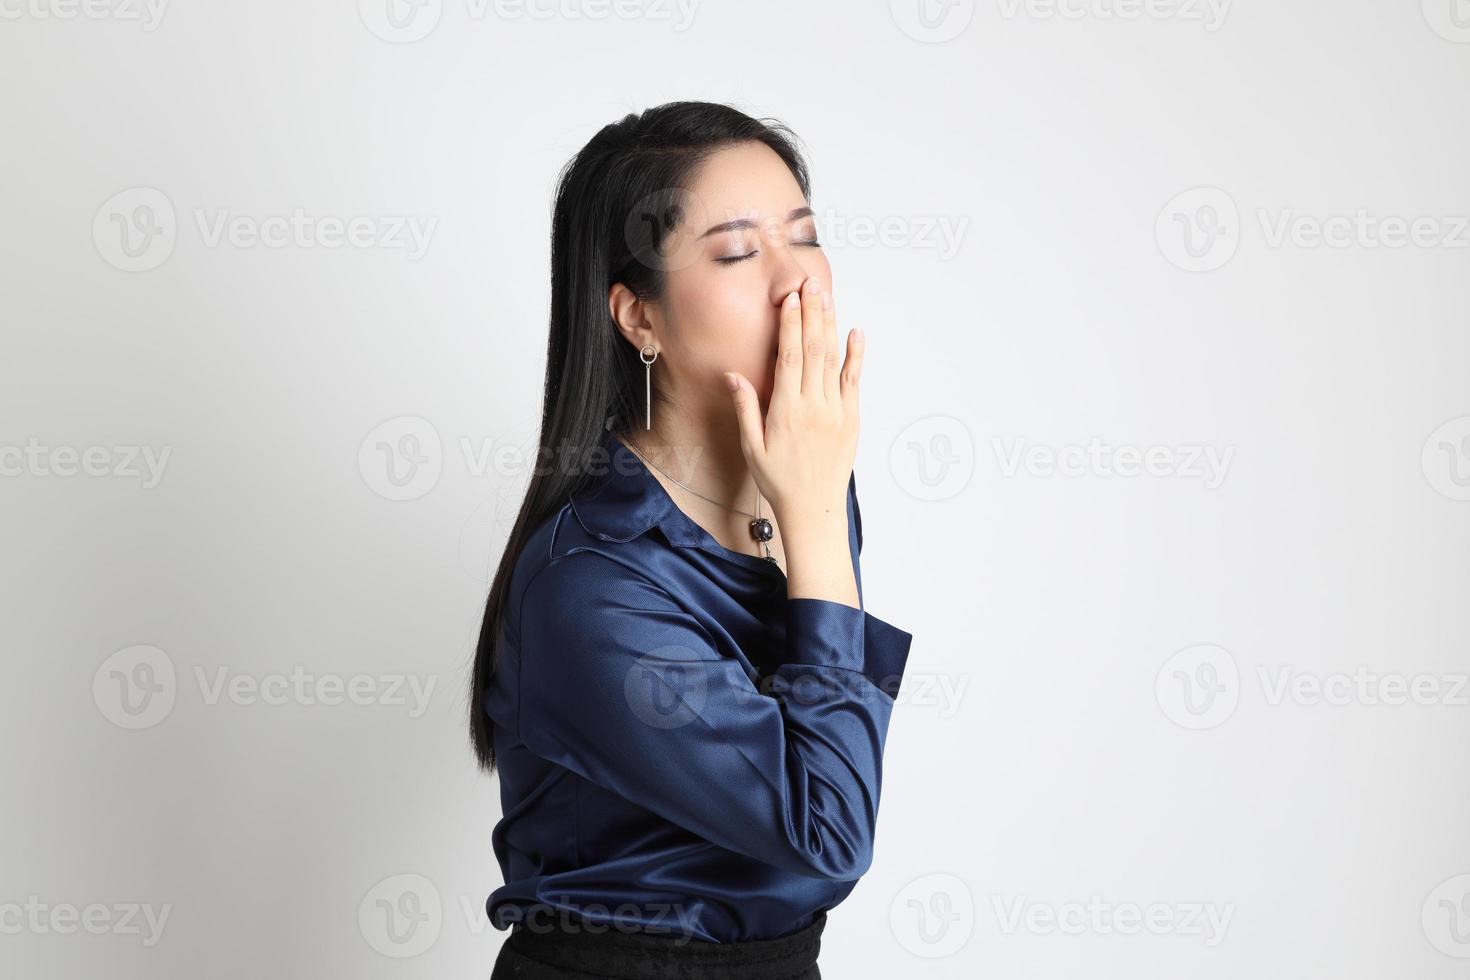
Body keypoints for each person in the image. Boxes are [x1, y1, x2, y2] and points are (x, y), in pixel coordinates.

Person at [470, 101, 914, 980]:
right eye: (741, 251)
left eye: (807, 235)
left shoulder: (804, 483)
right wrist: (817, 515)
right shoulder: (590, 583)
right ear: (638, 318)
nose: (800, 283)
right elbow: (826, 831)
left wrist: (816, 509)